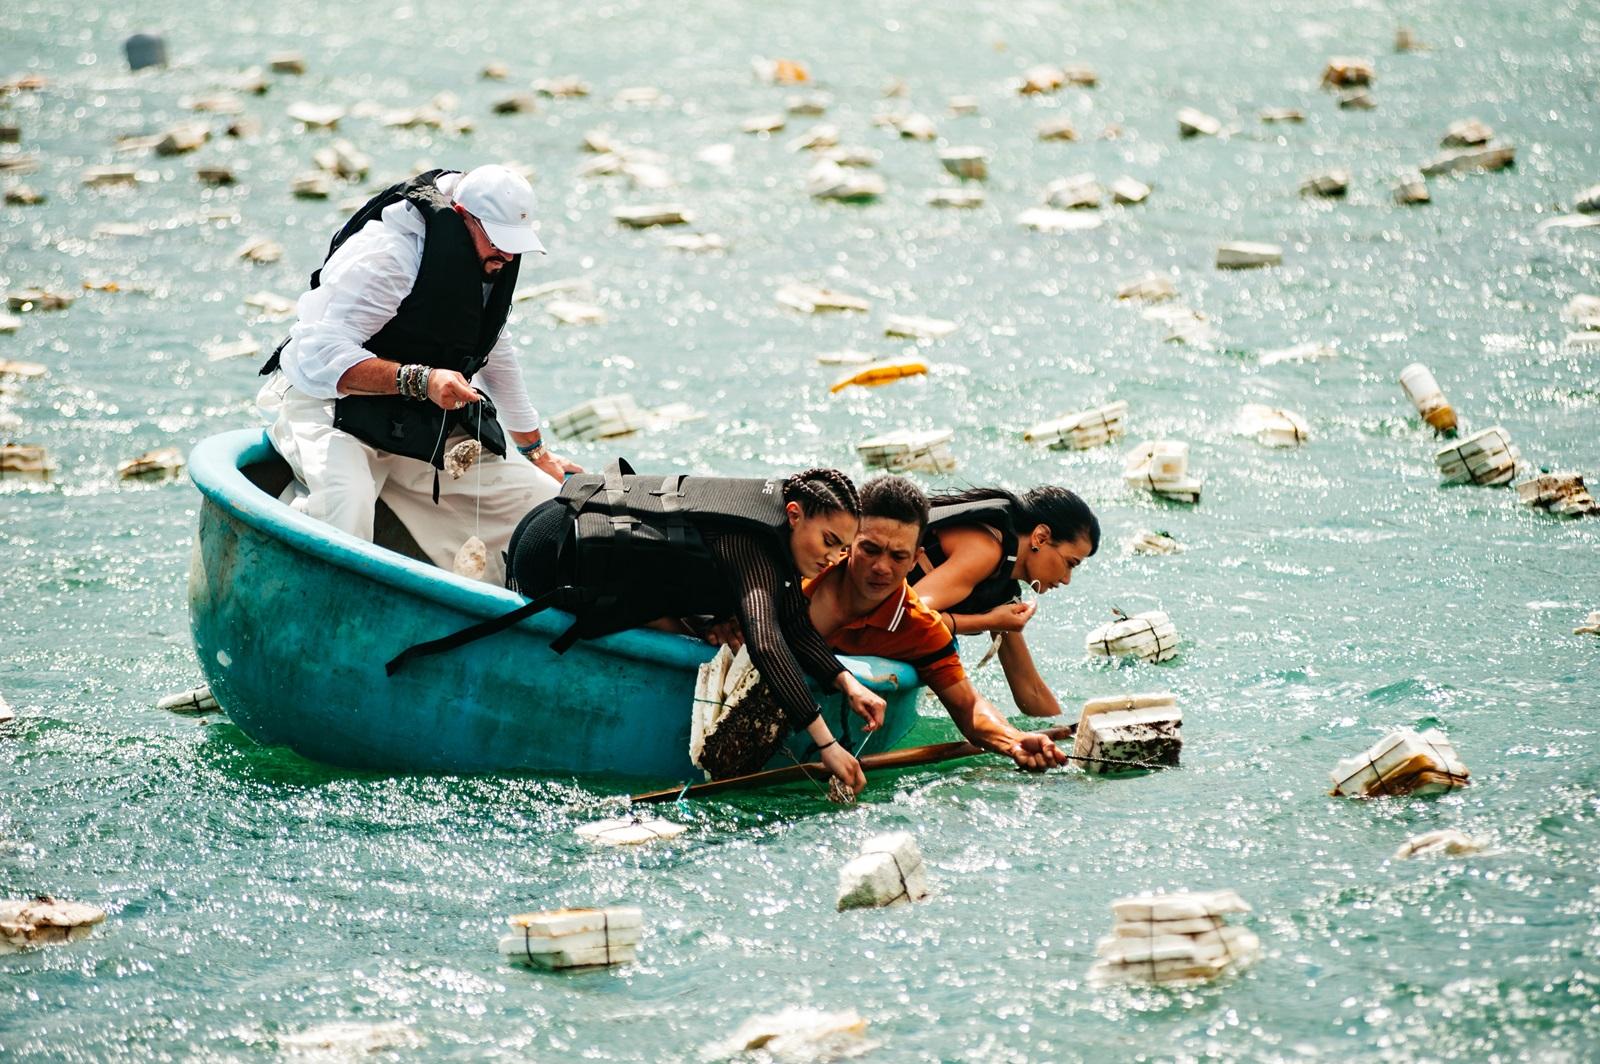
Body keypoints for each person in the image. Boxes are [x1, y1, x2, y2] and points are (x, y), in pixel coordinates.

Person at [395, 464, 888, 794]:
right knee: (723, 625)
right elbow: (767, 643)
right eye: (829, 541)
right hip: (549, 553)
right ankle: (669, 620)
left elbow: (793, 620)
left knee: (720, 616)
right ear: (794, 515)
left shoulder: (771, 521)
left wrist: (846, 683)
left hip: (557, 522)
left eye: (843, 549)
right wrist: (826, 744)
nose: (833, 557)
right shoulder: (751, 543)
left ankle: (680, 618)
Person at [254, 164, 579, 585]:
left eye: (517, 244)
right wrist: (420, 380)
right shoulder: (389, 257)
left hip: (417, 424)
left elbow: (495, 351)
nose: (509, 256)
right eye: (499, 240)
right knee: (346, 503)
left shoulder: (489, 261)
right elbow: (315, 355)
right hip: (332, 408)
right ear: (461, 215)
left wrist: (536, 451)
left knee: (543, 502)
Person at [803, 476, 1068, 772]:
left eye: (898, 556)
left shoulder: (920, 628)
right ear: (850, 543)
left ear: (915, 559)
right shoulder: (802, 571)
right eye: (870, 549)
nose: (881, 567)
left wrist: (1014, 741)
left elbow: (969, 706)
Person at [908, 485, 1100, 718]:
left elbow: (1030, 691)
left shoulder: (1003, 584)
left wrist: (1072, 732)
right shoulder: (984, 551)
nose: (1068, 579)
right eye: (1070, 563)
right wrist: (987, 621)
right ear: (1040, 537)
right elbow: (905, 617)